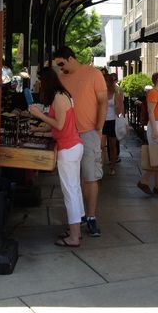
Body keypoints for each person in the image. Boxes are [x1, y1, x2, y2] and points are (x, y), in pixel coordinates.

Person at [53, 46, 107, 237]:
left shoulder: (93, 74)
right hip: (68, 135)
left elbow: (102, 102)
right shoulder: (60, 77)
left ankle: (91, 217)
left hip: (88, 132)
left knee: (90, 177)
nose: (59, 67)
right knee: (71, 181)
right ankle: (79, 217)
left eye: (60, 63)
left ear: (70, 58)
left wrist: (99, 129)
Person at [29, 67, 84, 247]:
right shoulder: (62, 95)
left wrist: (38, 115)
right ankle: (76, 229)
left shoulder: (59, 97)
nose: (37, 84)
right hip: (73, 146)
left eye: (38, 80)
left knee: (70, 192)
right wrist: (38, 128)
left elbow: (59, 125)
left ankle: (74, 236)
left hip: (68, 148)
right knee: (74, 190)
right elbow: (59, 123)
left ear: (46, 81)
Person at [102, 73, 124, 176]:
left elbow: (119, 110)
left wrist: (116, 107)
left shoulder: (116, 93)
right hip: (102, 121)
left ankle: (112, 166)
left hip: (112, 121)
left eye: (105, 80)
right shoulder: (100, 92)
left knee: (112, 145)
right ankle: (100, 165)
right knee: (101, 146)